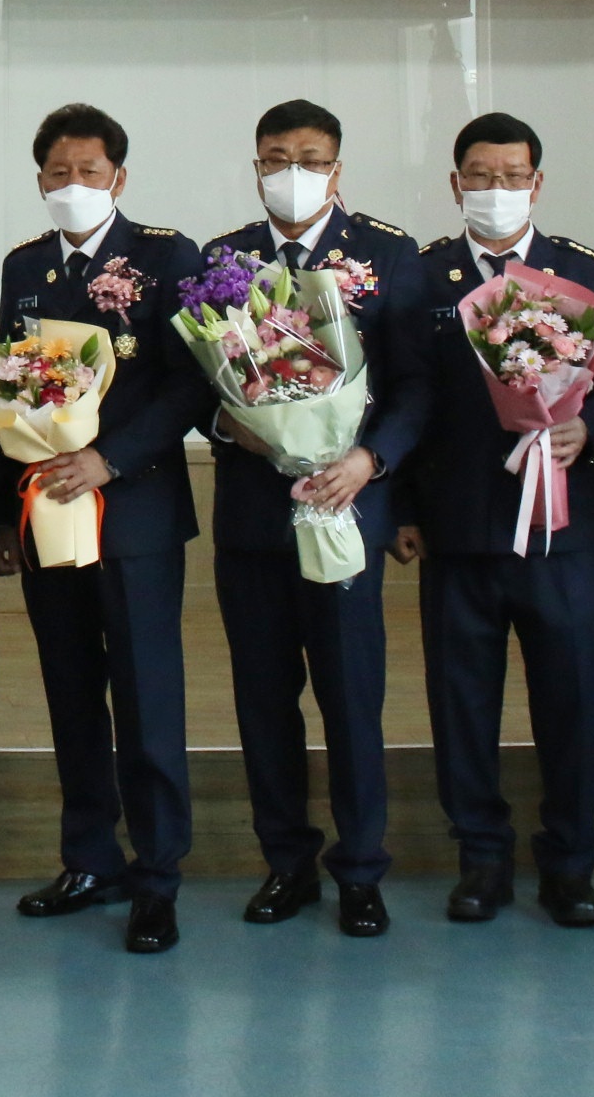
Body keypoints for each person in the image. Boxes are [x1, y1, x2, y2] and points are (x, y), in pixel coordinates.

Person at [398, 112, 594, 929]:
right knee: (462, 706)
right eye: (479, 175)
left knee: (569, 704)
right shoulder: (421, 276)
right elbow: (404, 395)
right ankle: (481, 860)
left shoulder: (585, 271)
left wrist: (589, 428)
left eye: (511, 176)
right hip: (457, 528)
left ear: (536, 184)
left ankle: (570, 864)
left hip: (561, 531)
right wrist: (404, 510)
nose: (494, 190)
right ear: (454, 183)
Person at [201, 98, 427, 939]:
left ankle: (361, 869)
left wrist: (369, 460)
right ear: (255, 166)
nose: (290, 172)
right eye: (275, 158)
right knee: (264, 702)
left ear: (337, 168)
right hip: (254, 519)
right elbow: (200, 385)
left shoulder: (387, 254)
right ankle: (286, 862)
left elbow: (416, 385)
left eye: (309, 158)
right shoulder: (224, 259)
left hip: (347, 508)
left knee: (350, 698)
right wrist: (234, 425)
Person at [0, 104, 205, 955]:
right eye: (58, 172)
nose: (72, 184)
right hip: (47, 512)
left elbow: (190, 385)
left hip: (135, 514)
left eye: (89, 171)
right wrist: (4, 515)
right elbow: (10, 394)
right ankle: (89, 859)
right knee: (72, 694)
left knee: (147, 700)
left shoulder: (165, 256)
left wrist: (108, 460)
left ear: (119, 176)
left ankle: (158, 876)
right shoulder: (24, 266)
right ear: (38, 178)